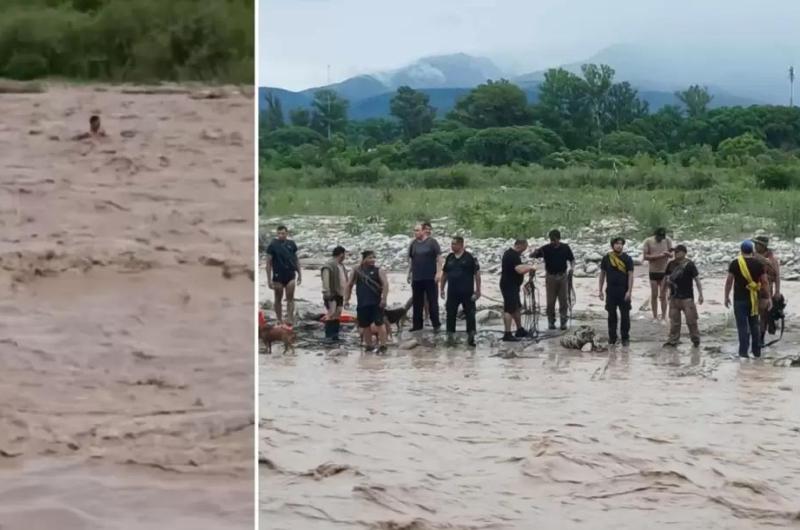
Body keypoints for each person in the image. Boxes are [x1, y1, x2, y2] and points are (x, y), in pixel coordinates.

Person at [725, 240, 770, 358]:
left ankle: (743, 353)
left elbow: (729, 281)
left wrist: (726, 296)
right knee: (754, 324)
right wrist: (768, 297)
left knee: (742, 326)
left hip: (739, 299)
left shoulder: (735, 263)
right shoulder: (758, 264)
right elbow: (765, 282)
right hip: (754, 299)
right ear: (752, 251)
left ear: (741, 250)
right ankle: (756, 352)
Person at [440, 236, 481, 347]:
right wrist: (442, 289)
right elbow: (444, 274)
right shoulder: (450, 257)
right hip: (452, 292)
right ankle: (450, 336)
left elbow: (477, 274)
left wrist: (478, 291)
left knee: (470, 314)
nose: (452, 246)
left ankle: (471, 336)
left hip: (467, 292)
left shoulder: (470, 258)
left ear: (461, 245)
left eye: (454, 244)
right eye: (451, 244)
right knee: (450, 314)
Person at [346, 250, 389, 354]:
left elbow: (386, 285)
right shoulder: (357, 271)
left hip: (376, 303)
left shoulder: (379, 271)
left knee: (380, 323)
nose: (372, 260)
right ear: (364, 259)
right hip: (362, 303)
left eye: (374, 258)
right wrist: (346, 299)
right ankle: (369, 346)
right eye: (370, 258)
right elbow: (349, 285)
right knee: (365, 325)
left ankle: (383, 345)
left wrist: (384, 299)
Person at [531, 229, 575, 331]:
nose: (553, 242)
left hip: (563, 276)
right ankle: (551, 322)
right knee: (550, 301)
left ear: (559, 239)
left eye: (554, 240)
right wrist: (535, 251)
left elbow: (572, 259)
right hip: (550, 276)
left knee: (563, 300)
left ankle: (563, 322)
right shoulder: (546, 248)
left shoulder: (565, 248)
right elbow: (532, 256)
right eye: (551, 240)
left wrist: (572, 269)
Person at [663, 245, 704, 347]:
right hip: (674, 298)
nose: (676, 254)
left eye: (678, 252)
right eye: (675, 252)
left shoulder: (689, 265)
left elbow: (697, 280)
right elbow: (666, 279)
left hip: (687, 298)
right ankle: (673, 340)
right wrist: (663, 293)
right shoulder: (671, 264)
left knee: (691, 321)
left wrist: (700, 294)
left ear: (684, 253)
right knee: (674, 322)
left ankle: (695, 339)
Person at [598, 237, 635, 346]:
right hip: (611, 291)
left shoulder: (627, 259)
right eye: (617, 244)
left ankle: (625, 337)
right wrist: (600, 290)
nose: (619, 245)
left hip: (623, 291)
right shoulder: (607, 258)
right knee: (611, 315)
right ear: (612, 245)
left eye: (621, 244)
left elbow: (631, 275)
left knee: (625, 316)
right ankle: (612, 338)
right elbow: (602, 274)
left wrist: (629, 291)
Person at [407, 223, 443, 332]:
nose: (416, 232)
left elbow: (439, 258)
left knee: (432, 301)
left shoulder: (432, 242)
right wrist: (409, 273)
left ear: (423, 231)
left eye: (418, 230)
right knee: (417, 302)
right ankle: (417, 325)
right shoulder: (413, 244)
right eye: (414, 230)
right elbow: (411, 260)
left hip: (430, 277)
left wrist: (438, 273)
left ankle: (436, 324)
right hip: (417, 277)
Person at [500, 239, 536, 342]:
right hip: (508, 285)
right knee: (509, 309)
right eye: (523, 249)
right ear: (519, 245)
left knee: (516, 307)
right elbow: (519, 270)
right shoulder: (512, 255)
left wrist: (528, 267)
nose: (523, 252)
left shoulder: (513, 255)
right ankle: (507, 333)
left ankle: (519, 329)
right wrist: (530, 267)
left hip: (513, 285)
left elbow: (518, 267)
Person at [265, 225, 301, 324]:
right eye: (279, 233)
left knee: (290, 298)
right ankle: (279, 319)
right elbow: (268, 263)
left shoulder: (291, 244)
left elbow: (296, 260)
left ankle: (290, 319)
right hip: (278, 276)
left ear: (287, 233)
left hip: (290, 274)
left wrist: (300, 274)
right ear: (277, 234)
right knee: (278, 298)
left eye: (283, 233)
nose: (281, 235)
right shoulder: (272, 245)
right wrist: (269, 280)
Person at [753, 235, 781, 345]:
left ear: (762, 246)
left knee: (763, 315)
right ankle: (757, 336)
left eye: (757, 244)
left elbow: (777, 276)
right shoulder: (753, 256)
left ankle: (761, 338)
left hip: (765, 290)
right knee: (753, 314)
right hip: (753, 289)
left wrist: (777, 292)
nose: (755, 246)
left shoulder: (772, 260)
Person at [642, 227, 673, 320]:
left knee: (663, 295)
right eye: (659, 237)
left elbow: (672, 254)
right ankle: (655, 316)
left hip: (664, 271)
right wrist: (659, 256)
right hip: (653, 271)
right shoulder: (648, 241)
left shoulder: (667, 240)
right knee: (654, 295)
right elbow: (645, 256)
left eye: (662, 237)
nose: (661, 239)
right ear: (655, 235)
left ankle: (663, 316)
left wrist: (668, 254)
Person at [321, 246, 348, 343]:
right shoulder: (328, 265)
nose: (345, 256)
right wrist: (327, 291)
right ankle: (329, 336)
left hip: (340, 293)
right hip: (331, 293)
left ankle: (335, 336)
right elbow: (325, 279)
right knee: (331, 314)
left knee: (338, 313)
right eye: (344, 254)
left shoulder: (341, 265)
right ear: (341, 254)